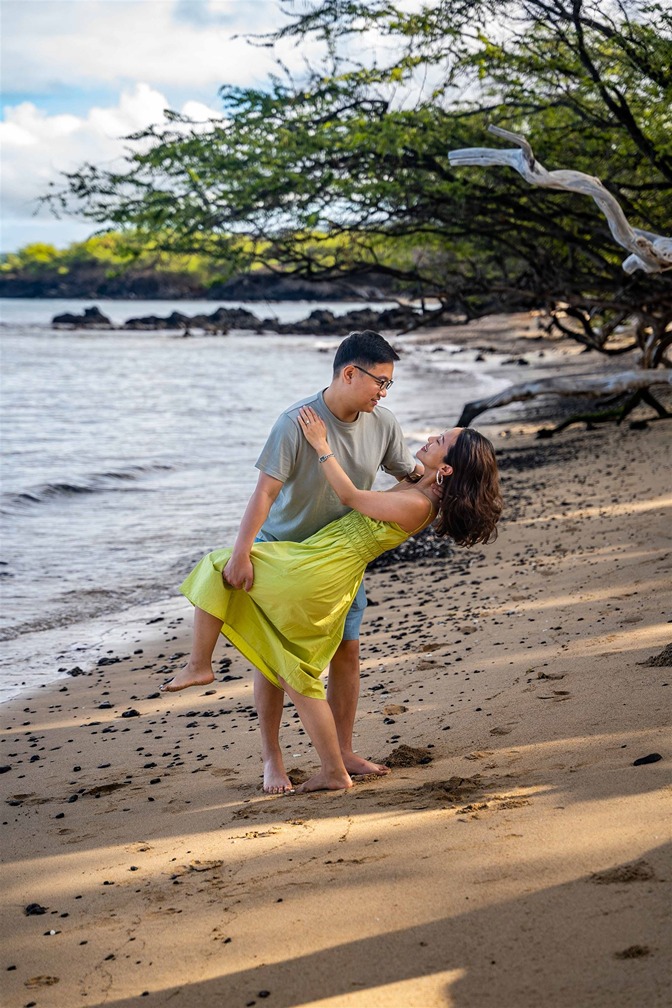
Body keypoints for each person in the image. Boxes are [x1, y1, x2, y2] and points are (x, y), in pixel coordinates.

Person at [168, 411, 502, 793]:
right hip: (322, 563)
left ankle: (199, 664)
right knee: (289, 661)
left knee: (217, 567)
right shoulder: (422, 488)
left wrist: (320, 444)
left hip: (320, 569)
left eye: (440, 441)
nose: (430, 439)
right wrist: (421, 472)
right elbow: (406, 473)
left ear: (447, 467)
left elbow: (350, 496)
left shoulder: (420, 505)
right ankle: (329, 766)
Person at [162, 330, 423, 794]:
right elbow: (264, 492)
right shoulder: (296, 422)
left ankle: (340, 752)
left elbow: (410, 473)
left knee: (347, 653)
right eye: (380, 382)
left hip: (336, 564)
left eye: (388, 385)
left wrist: (456, 473)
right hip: (281, 551)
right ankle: (272, 759)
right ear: (349, 373)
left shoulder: (383, 423)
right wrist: (241, 553)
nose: (384, 392)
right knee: (273, 664)